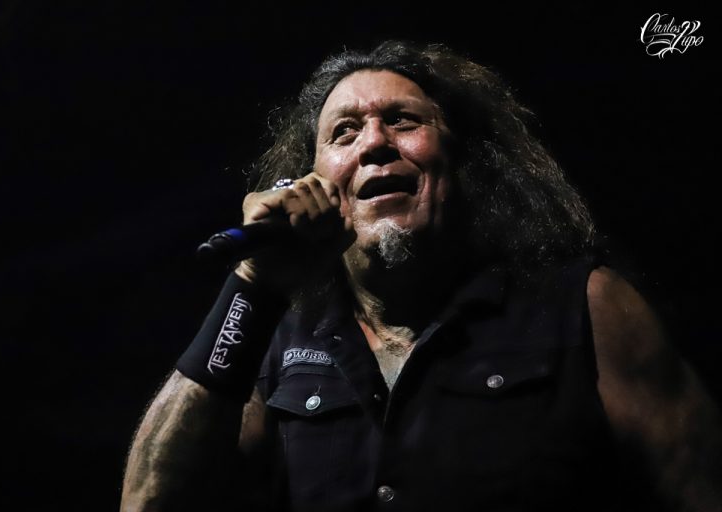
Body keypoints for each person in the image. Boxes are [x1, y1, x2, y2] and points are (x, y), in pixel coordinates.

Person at [120, 41, 722, 511]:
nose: (374, 143)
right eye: (344, 132)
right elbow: (150, 502)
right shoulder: (276, 335)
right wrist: (253, 282)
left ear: (463, 162)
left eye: (403, 121)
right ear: (315, 182)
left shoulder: (585, 306)